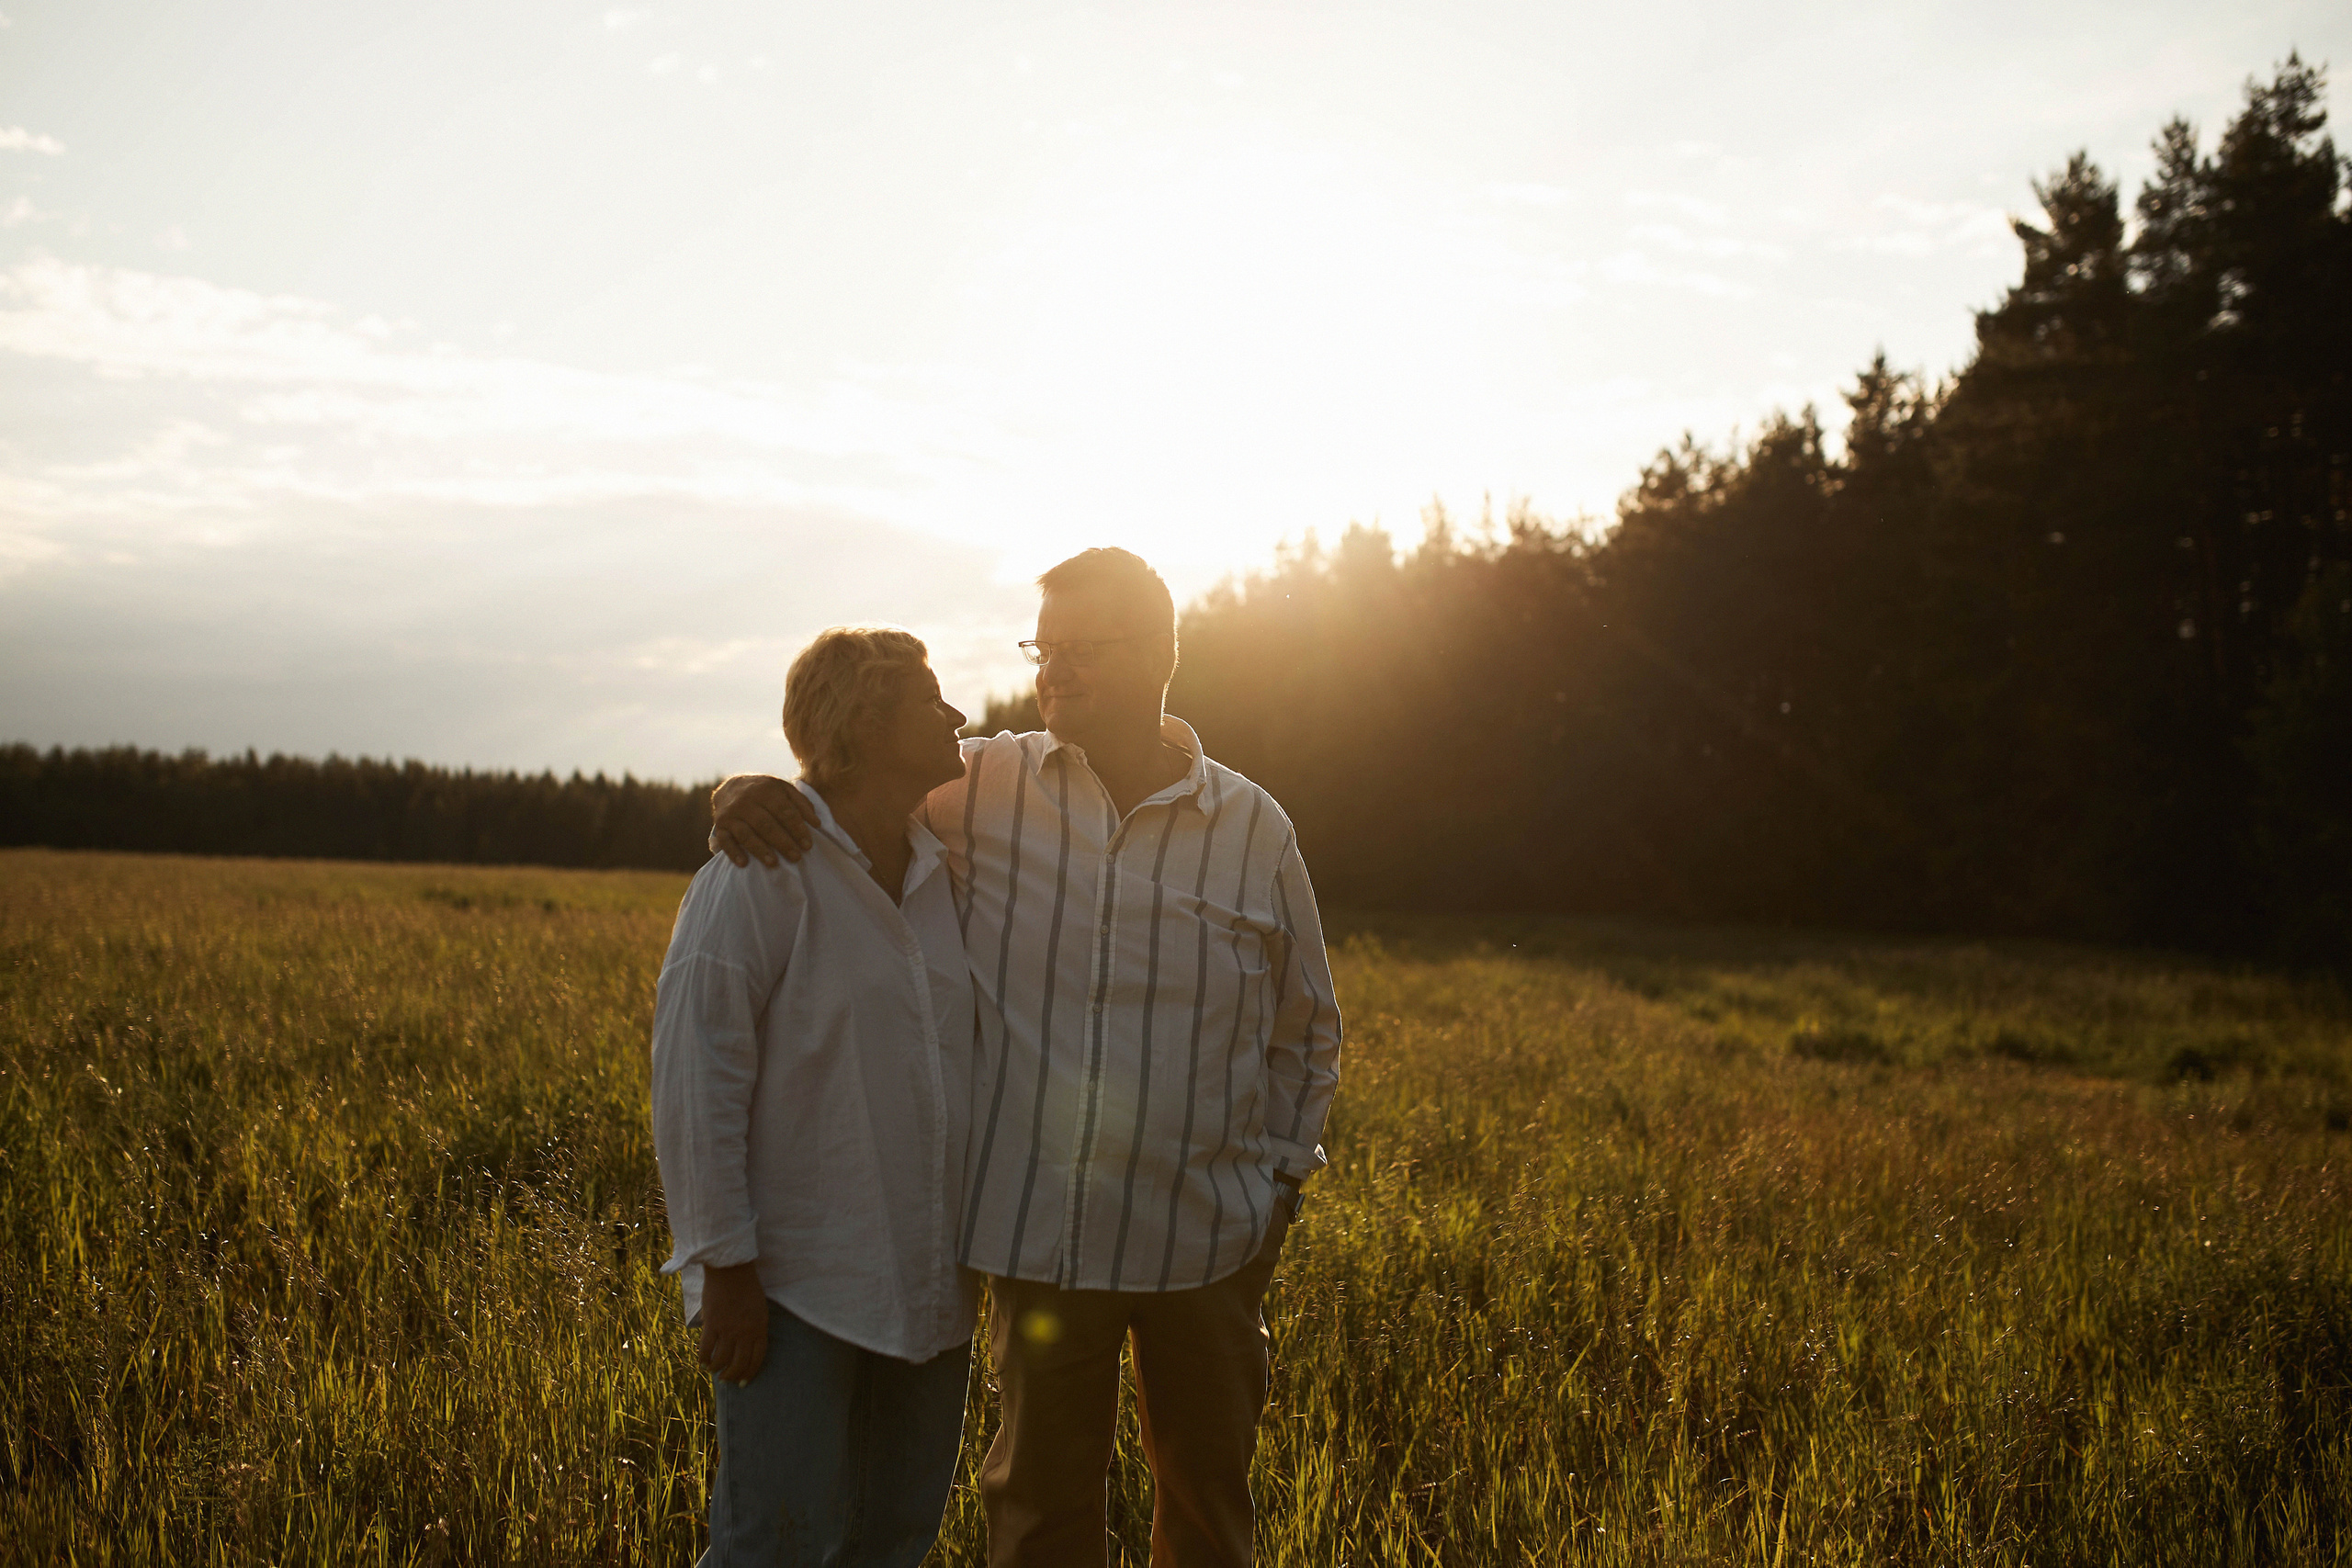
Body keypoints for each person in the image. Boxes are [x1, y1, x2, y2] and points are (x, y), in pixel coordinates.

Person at [711, 547, 1343, 1568]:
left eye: (1082, 651)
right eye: (1043, 648)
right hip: (1047, 1244)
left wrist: (1278, 1186)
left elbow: (1305, 1024)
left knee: (1209, 1513)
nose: (1053, 672)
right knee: (1039, 1518)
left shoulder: (1252, 827)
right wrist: (742, 786)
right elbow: (844, 787)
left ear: (1161, 657)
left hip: (1209, 1243)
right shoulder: (983, 782)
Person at [651, 625, 979, 1568]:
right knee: (776, 1548)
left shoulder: (941, 869)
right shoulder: (757, 876)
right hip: (794, 1291)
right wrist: (727, 1270)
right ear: (866, 723)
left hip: (931, 1283)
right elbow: (694, 1077)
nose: (955, 714)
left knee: (891, 1545)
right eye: (930, 698)